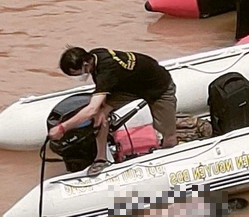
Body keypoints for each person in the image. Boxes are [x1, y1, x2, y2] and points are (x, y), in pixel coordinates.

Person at [48, 47, 178, 176]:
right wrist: (102, 108)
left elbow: (91, 109)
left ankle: (168, 160)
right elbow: (98, 107)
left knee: (168, 134)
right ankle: (101, 158)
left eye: (77, 74)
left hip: (158, 87)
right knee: (100, 114)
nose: (79, 77)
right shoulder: (94, 56)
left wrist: (62, 128)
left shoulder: (106, 71)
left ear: (86, 64)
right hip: (127, 88)